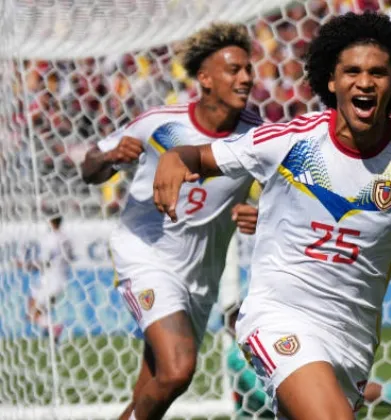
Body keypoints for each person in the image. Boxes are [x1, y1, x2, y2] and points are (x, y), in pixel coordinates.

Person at [153, 12, 391, 420]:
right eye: (352, 71)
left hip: (351, 341)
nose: (364, 82)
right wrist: (174, 158)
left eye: (377, 73)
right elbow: (200, 156)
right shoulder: (291, 141)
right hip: (278, 316)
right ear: (331, 80)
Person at [80, 23, 262, 420]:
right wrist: (108, 158)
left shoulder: (257, 135)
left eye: (248, 68)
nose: (246, 77)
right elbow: (89, 169)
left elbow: (282, 198)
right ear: (205, 78)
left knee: (154, 390)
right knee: (179, 369)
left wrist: (262, 215)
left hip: (201, 274)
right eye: (234, 69)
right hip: (146, 254)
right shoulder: (159, 123)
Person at [222, 304, 391, 418]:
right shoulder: (237, 357)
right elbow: (267, 398)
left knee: (372, 388)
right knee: (370, 390)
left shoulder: (269, 342)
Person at [19, 215, 73, 344]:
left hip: (51, 281)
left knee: (33, 312)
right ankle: (52, 334)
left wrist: (26, 265)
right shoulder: (65, 238)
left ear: (50, 222)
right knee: (34, 306)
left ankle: (55, 328)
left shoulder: (51, 239)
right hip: (59, 279)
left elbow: (44, 262)